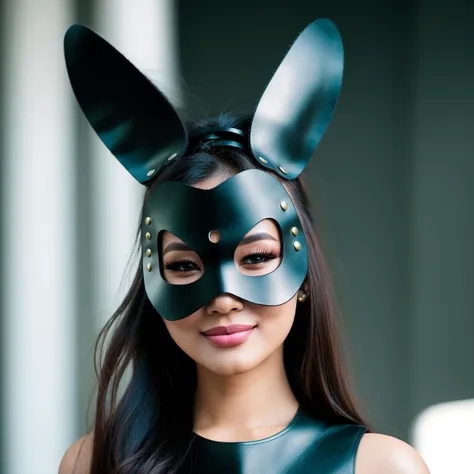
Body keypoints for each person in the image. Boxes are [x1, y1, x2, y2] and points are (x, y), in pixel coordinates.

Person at [59, 19, 430, 474]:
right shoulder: (92, 462)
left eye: (256, 257)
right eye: (183, 265)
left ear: (303, 275)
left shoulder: (383, 467)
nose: (222, 299)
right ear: (153, 282)